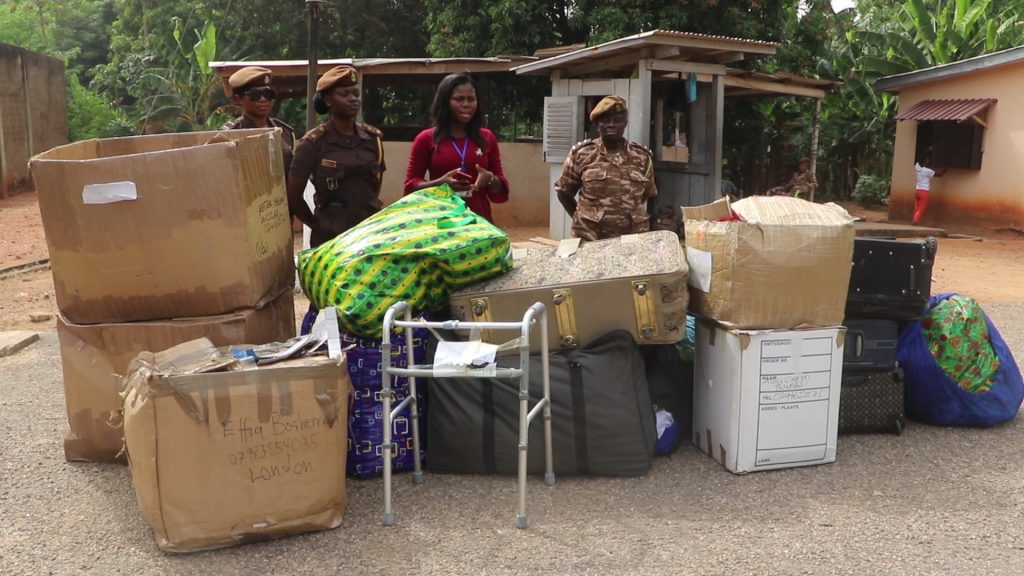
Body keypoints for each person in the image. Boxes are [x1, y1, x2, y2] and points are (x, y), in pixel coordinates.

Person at [287, 65, 386, 248]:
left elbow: (375, 186)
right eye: (344, 94)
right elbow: (293, 195)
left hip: (367, 232)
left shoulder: (372, 139)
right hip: (329, 235)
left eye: (356, 94)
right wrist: (315, 224)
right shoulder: (313, 143)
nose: (353, 99)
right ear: (327, 99)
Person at [404, 73, 508, 223]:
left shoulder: (487, 138)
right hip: (440, 223)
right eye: (459, 99)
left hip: (479, 223)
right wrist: (439, 183)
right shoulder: (426, 139)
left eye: (471, 99)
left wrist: (490, 179)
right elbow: (410, 188)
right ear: (445, 102)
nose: (466, 104)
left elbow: (501, 191)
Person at [554, 95, 657, 241]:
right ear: (597, 125)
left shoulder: (642, 157)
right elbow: (564, 192)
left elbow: (646, 193)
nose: (611, 125)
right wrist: (582, 218)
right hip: (590, 237)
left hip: (631, 238)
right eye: (605, 121)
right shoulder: (582, 154)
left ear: (625, 123)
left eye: (617, 120)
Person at [222, 66, 295, 179]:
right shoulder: (230, 135)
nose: (263, 99)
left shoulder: (284, 132)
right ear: (238, 99)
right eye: (255, 95)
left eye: (268, 94)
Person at [913, 151, 946, 225]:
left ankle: (914, 219)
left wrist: (927, 151)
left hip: (917, 190)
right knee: (921, 208)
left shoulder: (918, 167)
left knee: (917, 207)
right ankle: (915, 221)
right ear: (928, 163)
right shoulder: (928, 171)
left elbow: (919, 158)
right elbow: (940, 174)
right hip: (924, 191)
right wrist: (947, 167)